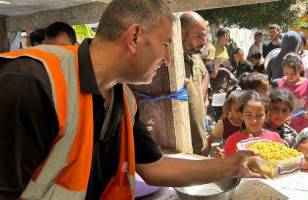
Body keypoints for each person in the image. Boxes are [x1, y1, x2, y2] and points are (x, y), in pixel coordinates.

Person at [0, 1, 256, 199]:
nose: (168, 58)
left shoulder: (123, 98)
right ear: (134, 37)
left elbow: (154, 167)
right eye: (165, 43)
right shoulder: (31, 84)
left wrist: (232, 166)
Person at [180, 12, 210, 154]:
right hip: (184, 146)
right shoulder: (169, 62)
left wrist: (200, 97)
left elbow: (205, 74)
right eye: (199, 36)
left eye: (205, 36)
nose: (203, 42)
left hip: (200, 142)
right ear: (181, 33)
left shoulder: (195, 56)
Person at [272, 53, 308, 133]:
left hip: (305, 130)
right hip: (281, 130)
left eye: (293, 73)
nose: (290, 77)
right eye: (286, 73)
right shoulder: (277, 84)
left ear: (301, 68)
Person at [223, 91, 283, 156]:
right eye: (248, 115)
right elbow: (228, 164)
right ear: (241, 115)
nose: (254, 121)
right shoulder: (232, 141)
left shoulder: (274, 138)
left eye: (259, 115)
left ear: (266, 115)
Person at [203, 89, 244, 156]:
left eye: (243, 110)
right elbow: (209, 140)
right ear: (229, 109)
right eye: (237, 110)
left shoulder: (249, 123)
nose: (241, 114)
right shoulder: (223, 124)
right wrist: (205, 158)